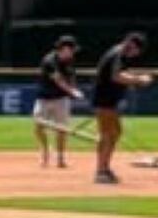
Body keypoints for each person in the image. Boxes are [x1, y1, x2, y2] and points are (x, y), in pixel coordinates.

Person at [84, 30, 149, 185]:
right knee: (107, 134)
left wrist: (133, 79)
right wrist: (138, 80)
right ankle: (101, 171)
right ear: (131, 45)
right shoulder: (117, 54)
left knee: (115, 132)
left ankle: (105, 168)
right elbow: (116, 76)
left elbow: (119, 74)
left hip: (110, 100)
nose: (135, 55)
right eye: (136, 51)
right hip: (104, 100)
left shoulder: (119, 54)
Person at [31, 33, 85, 171]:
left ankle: (60, 157)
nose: (73, 53)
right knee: (38, 126)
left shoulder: (69, 61)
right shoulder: (49, 61)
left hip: (61, 99)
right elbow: (58, 79)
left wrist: (73, 89)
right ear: (64, 49)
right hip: (44, 98)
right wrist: (72, 92)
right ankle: (45, 150)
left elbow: (71, 78)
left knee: (62, 129)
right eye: (71, 50)